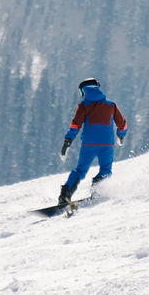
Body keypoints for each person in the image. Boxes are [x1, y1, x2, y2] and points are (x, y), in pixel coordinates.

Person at [55, 78, 127, 210]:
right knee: (105, 170)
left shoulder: (83, 106)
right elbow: (122, 124)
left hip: (89, 144)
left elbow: (75, 125)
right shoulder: (111, 105)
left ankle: (64, 196)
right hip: (107, 145)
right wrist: (120, 136)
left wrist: (67, 142)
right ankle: (98, 190)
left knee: (80, 170)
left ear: (84, 91)